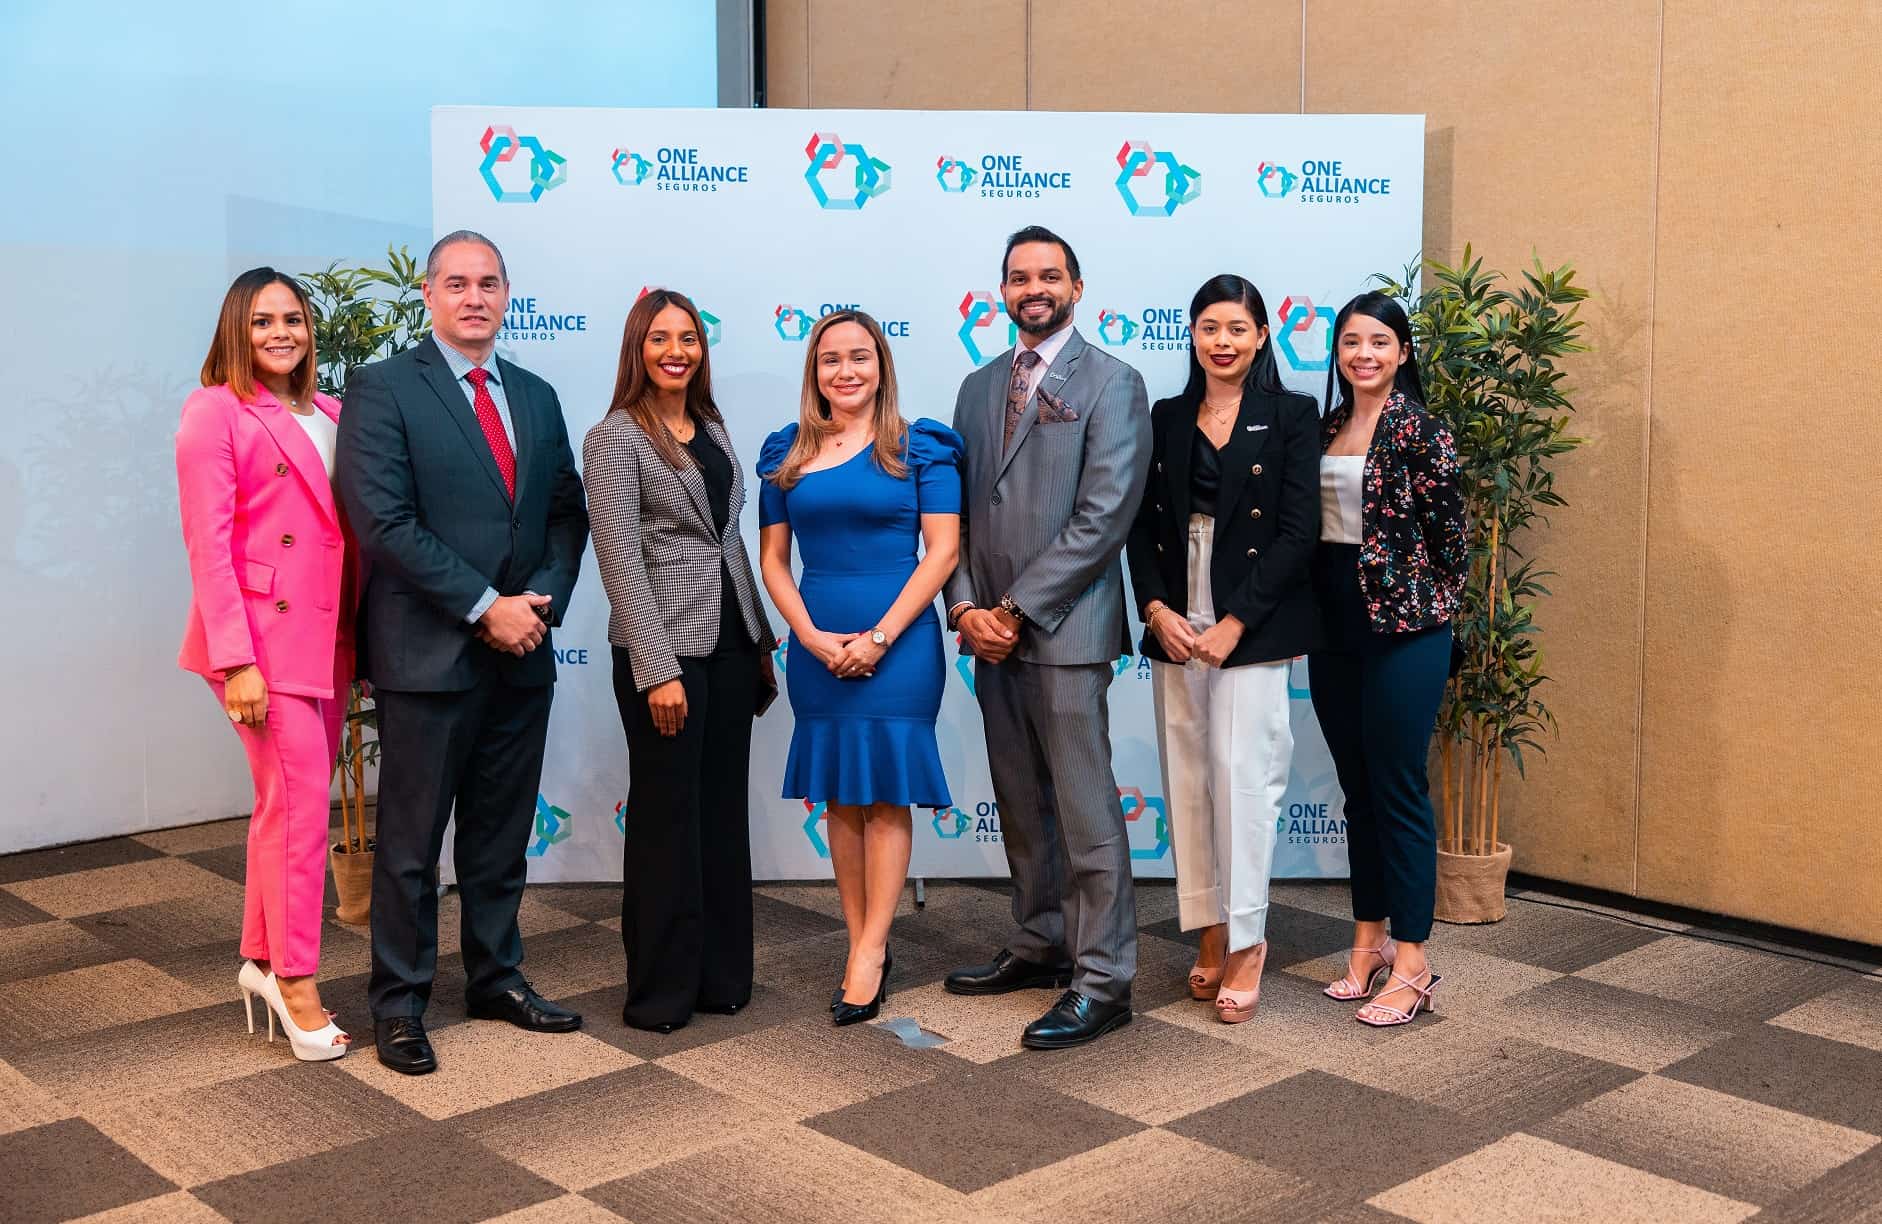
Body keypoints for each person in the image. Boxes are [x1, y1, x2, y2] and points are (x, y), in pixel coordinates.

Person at [335, 230, 590, 1074]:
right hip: (429, 655)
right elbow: (383, 522)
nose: (473, 296)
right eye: (456, 283)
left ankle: (496, 978)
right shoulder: (381, 389)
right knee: (411, 846)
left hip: (523, 651)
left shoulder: (537, 394)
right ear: (428, 295)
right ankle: (400, 1004)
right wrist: (487, 607)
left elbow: (564, 511)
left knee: (499, 835)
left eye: (487, 283)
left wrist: (538, 604)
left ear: (506, 293)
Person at [941, 226, 1151, 1050]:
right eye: (1020, 277)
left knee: (1086, 809)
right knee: (1022, 806)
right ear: (1002, 291)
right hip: (989, 635)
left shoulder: (1113, 381)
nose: (1035, 288)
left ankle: (1103, 980)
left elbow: (1103, 518)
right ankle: (1041, 940)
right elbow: (952, 515)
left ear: (1077, 285)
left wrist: (1016, 610)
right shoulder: (976, 386)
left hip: (1064, 629)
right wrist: (966, 611)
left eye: (1050, 275)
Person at [757, 310, 962, 1027]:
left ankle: (872, 952)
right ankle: (860, 942)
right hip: (815, 643)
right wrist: (808, 636)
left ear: (882, 366)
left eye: (860, 357)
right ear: (813, 372)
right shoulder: (786, 453)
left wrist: (878, 636)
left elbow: (941, 553)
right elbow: (774, 561)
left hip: (899, 644)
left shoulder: (922, 448)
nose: (845, 371)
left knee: (886, 796)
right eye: (830, 360)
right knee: (841, 797)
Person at [1124, 274, 1320, 1023]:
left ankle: (1247, 940)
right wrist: (1156, 608)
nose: (1223, 341)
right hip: (1177, 611)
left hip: (1254, 617)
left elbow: (1299, 532)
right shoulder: (1169, 414)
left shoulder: (1291, 415)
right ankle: (1207, 924)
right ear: (1193, 336)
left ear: (1262, 335)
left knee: (1244, 776)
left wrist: (1236, 622)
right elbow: (1139, 524)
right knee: (1189, 777)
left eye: (1237, 327)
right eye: (1209, 327)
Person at [584, 290, 778, 1035]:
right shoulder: (614, 437)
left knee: (722, 810)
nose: (677, 350)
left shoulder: (713, 427)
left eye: (689, 338)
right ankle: (661, 992)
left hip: (730, 642)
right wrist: (657, 668)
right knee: (668, 817)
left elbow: (726, 540)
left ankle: (722, 977)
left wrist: (757, 639)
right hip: (664, 649)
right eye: (661, 338)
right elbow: (620, 558)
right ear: (638, 347)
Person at [176, 268, 357, 1062]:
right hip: (261, 643)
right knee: (302, 810)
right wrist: (235, 661)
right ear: (235, 332)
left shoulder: (331, 412)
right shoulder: (213, 410)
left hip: (328, 638)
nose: (281, 333)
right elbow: (208, 546)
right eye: (262, 322)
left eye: (293, 319)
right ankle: (296, 980)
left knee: (280, 807)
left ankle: (258, 958)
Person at [1310, 290, 1467, 1027]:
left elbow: (1452, 547)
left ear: (1403, 352)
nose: (1363, 354)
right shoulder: (1328, 426)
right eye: (1350, 342)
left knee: (1398, 786)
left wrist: (1422, 610)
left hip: (1407, 630)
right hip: (1334, 622)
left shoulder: (1420, 431)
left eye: (1379, 341)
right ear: (1337, 354)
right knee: (1358, 789)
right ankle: (1368, 938)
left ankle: (1413, 959)